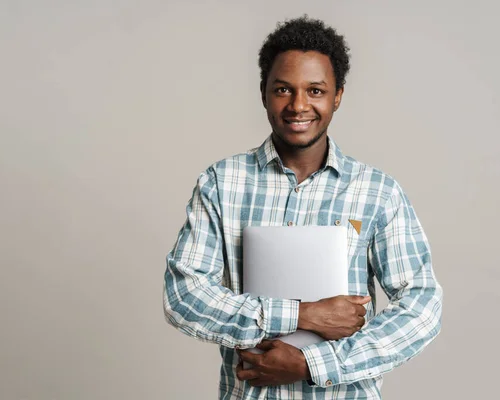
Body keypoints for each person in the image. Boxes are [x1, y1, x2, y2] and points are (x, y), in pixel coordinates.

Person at [163, 15, 443, 400]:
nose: (298, 105)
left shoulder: (378, 192)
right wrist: (301, 314)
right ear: (263, 92)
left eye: (315, 90)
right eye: (283, 89)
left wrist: (314, 365)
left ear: (337, 95)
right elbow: (183, 295)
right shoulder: (221, 183)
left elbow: (422, 306)